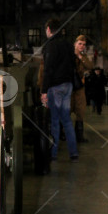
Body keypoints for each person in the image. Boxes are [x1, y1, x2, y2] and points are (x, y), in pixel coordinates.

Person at [40, 18, 78, 162]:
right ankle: (73, 153)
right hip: (68, 86)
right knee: (67, 120)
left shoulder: (51, 45)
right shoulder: (68, 45)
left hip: (55, 87)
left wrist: (44, 91)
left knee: (55, 121)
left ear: (49, 29)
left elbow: (48, 69)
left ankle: (53, 154)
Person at [71, 35, 93, 143]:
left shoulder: (82, 57)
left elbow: (90, 66)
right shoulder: (68, 55)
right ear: (75, 44)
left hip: (79, 87)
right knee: (66, 110)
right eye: (80, 43)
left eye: (84, 44)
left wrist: (80, 56)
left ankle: (79, 136)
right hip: (68, 87)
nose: (82, 46)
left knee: (80, 111)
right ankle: (62, 134)